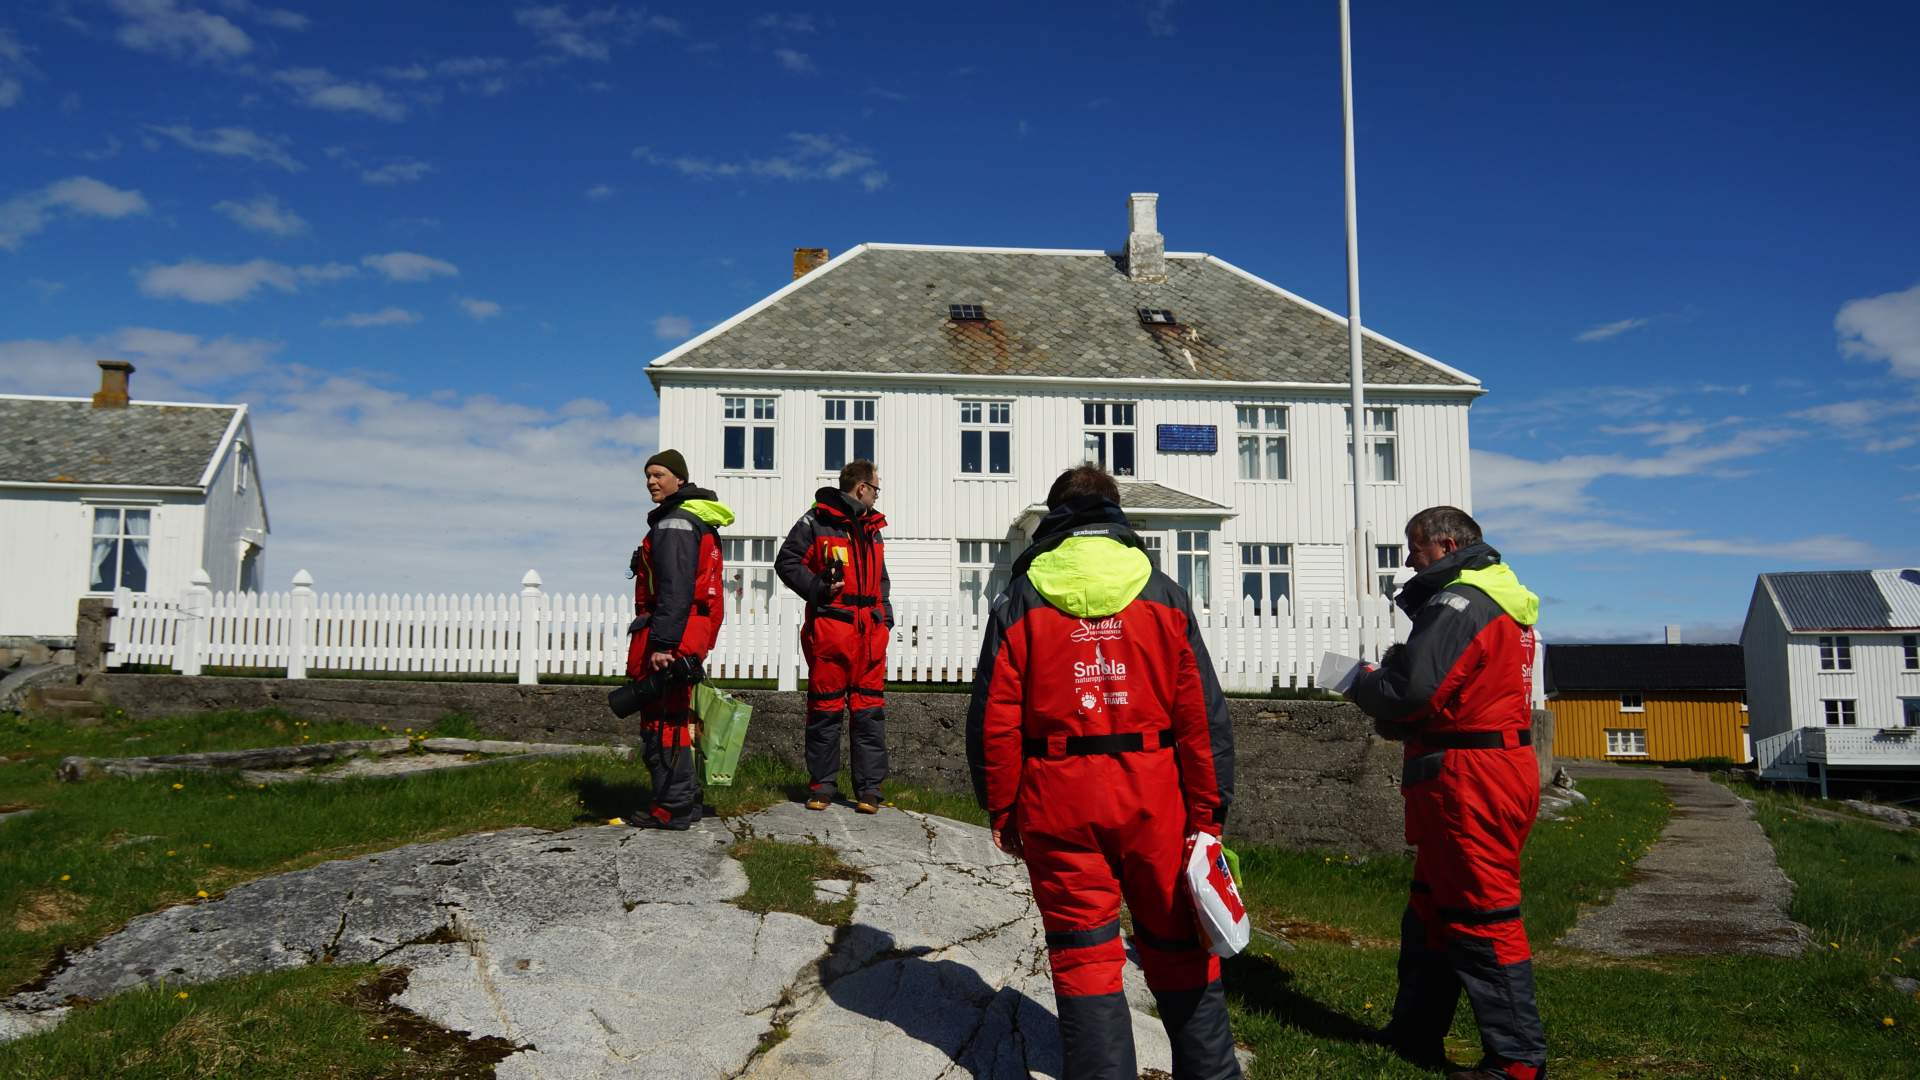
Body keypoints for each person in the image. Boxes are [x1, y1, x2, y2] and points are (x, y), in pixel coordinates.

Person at [966, 465, 1240, 1080]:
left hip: (1058, 796)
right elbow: (1200, 716)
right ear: (1115, 511)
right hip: (1155, 796)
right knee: (1180, 944)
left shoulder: (1021, 596)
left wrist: (1002, 807)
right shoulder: (1162, 590)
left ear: (1054, 515)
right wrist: (1208, 812)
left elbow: (995, 718)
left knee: (1083, 955)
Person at [1348, 506, 1546, 1080]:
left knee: (1484, 913)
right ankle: (1415, 1033)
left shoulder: (1459, 603)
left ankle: (1517, 1061)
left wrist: (1362, 681)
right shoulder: (1503, 599)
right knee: (1433, 907)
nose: (1410, 561)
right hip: (1494, 765)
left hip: (1469, 777)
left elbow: (1412, 692)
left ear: (1447, 545)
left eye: (1415, 549)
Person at [625, 448, 734, 830]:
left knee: (663, 720)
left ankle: (671, 808)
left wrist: (663, 644)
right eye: (648, 475)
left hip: (671, 633)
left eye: (659, 474)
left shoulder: (675, 524)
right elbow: (709, 596)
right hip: (689, 631)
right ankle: (685, 799)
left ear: (679, 479)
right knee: (679, 718)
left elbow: (675, 588)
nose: (651, 481)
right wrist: (697, 640)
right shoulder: (699, 521)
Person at [775, 459, 893, 814]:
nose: (877, 494)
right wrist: (818, 588)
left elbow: (881, 580)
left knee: (869, 715)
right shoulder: (816, 521)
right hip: (831, 633)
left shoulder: (873, 527)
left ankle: (869, 791)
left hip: (869, 638)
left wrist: (885, 618)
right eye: (876, 488)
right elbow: (787, 562)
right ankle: (822, 787)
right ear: (862, 488)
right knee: (824, 713)